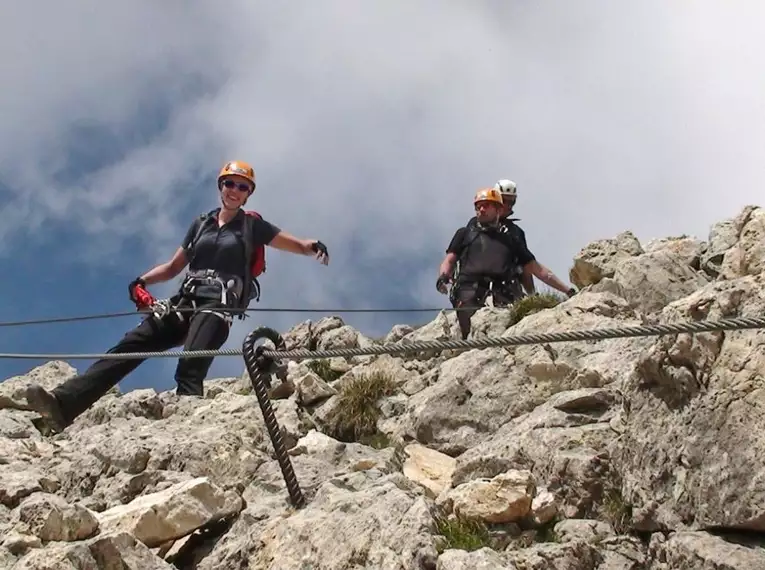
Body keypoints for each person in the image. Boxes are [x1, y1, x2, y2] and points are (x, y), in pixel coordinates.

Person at [25, 160, 329, 433]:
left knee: (190, 365)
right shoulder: (201, 224)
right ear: (220, 186)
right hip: (186, 299)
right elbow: (173, 267)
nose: (235, 190)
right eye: (230, 183)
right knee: (130, 345)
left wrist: (310, 245)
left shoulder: (253, 226)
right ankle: (63, 405)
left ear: (248, 193)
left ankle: (188, 429)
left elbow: (294, 243)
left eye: (242, 186)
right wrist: (141, 281)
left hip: (218, 304)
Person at [437, 187, 575, 339]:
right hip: (468, 294)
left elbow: (537, 269)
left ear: (498, 209)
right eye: (478, 206)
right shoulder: (464, 233)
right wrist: (443, 277)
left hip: (503, 295)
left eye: (486, 205)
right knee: (472, 337)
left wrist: (567, 290)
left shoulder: (512, 239)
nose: (481, 209)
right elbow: (449, 260)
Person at [466, 179, 534, 295]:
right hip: (477, 288)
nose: (508, 205)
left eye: (511, 202)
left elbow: (526, 265)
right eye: (504, 200)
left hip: (507, 288)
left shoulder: (516, 232)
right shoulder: (475, 224)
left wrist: (532, 294)